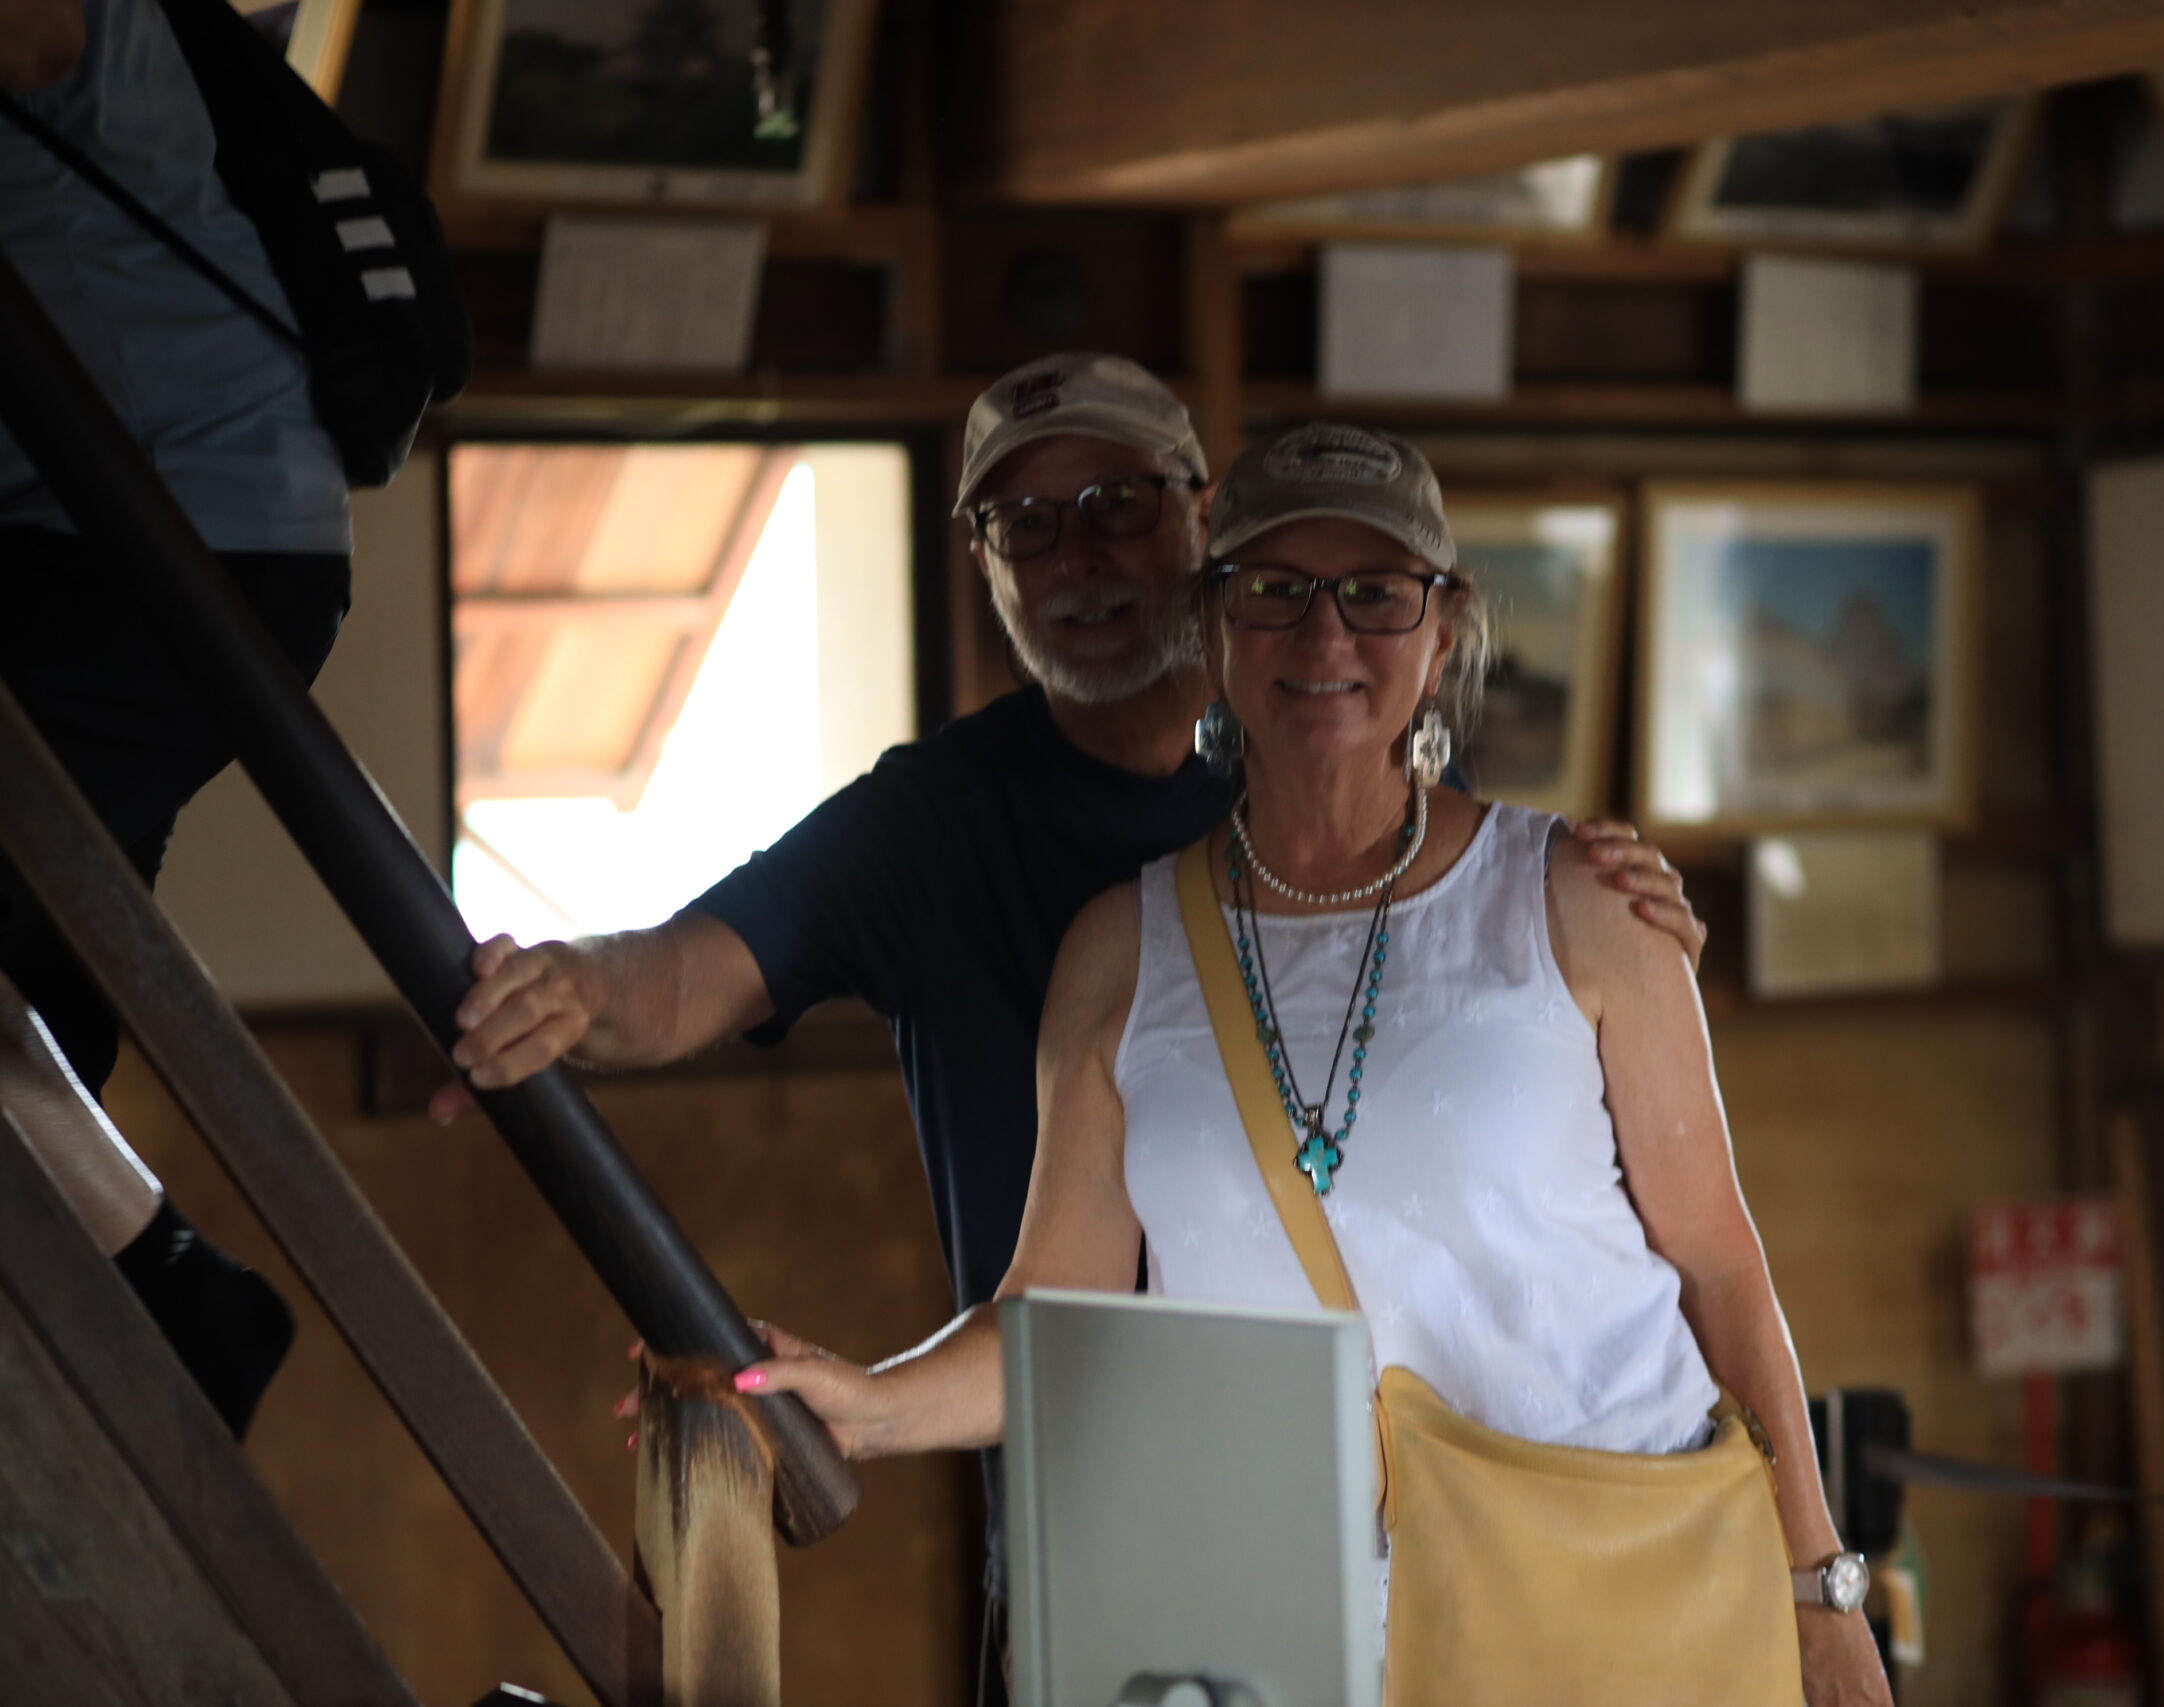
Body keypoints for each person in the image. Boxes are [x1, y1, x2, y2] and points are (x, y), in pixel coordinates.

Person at [442, 355, 1706, 1659]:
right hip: (1106, 1509)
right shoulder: (939, 824)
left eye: (1115, 502)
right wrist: (566, 988)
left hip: (1460, 1517)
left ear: (1201, 519)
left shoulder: (1339, 746)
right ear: (984, 560)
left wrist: (1634, 920)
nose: (1074, 558)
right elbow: (685, 974)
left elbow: (1633, 1189)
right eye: (1024, 523)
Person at [719, 423, 1894, 1704]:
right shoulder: (1121, 949)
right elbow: (1058, 1315)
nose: (1324, 640)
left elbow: (1719, 1265)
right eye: (1274, 592)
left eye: (1374, 596)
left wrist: (1818, 1589)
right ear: (1212, 632)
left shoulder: (1578, 899)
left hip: (1603, 1598)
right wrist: (866, 1404)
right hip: (1302, 1643)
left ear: (1440, 633)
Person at [1, 0, 355, 1434]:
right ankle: (124, 1275)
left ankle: (170, 1286)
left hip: (169, 536)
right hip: (102, 537)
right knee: (43, 968)